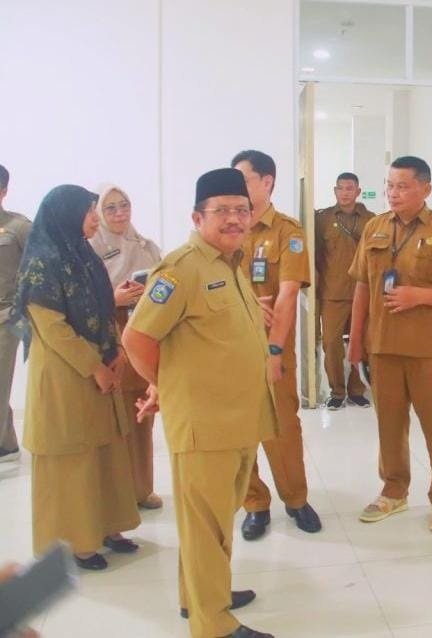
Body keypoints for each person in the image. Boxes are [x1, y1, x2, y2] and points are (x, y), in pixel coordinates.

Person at [123, 168, 278, 638]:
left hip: (238, 418)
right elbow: (137, 339)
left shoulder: (230, 262)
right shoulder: (182, 268)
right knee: (206, 525)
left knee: (213, 521)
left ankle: (200, 597)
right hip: (205, 424)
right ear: (197, 217)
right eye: (222, 211)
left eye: (241, 210)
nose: (234, 219)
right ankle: (215, 625)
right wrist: (166, 387)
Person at [12, 185, 140, 571]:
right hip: (66, 375)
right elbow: (54, 329)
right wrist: (95, 367)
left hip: (100, 366)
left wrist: (116, 352)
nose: (95, 219)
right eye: (89, 212)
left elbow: (104, 308)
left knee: (106, 451)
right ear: (66, 215)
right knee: (74, 460)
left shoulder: (83, 255)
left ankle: (109, 526)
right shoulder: (41, 264)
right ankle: (79, 542)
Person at [347, 156, 432, 534]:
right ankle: (393, 490)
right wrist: (355, 341)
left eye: (403, 186)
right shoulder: (374, 227)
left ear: (426, 189)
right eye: (390, 185)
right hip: (383, 346)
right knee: (389, 425)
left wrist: (418, 296)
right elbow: (362, 286)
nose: (393, 193)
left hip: (431, 349)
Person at [231, 149, 322, 541]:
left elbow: (287, 295)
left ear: (267, 182)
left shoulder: (288, 232)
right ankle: (254, 503)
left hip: (274, 348)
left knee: (283, 426)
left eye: (244, 179)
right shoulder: (226, 228)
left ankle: (296, 499)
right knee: (239, 429)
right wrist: (248, 305)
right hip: (230, 348)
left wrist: (273, 349)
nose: (236, 187)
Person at [89, 184, 163, 510]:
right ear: (98, 212)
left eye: (125, 205)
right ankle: (115, 496)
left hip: (143, 333)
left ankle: (141, 489)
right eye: (111, 208)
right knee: (111, 418)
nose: (120, 213)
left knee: (141, 413)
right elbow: (80, 301)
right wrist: (113, 298)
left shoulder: (145, 245)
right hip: (108, 336)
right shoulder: (89, 250)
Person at [315, 172, 375, 411]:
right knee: (331, 344)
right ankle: (337, 391)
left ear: (358, 191)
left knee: (363, 342)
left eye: (349, 188)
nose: (345, 193)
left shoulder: (371, 220)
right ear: (335, 191)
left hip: (364, 292)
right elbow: (316, 256)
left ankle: (357, 390)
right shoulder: (322, 219)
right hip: (332, 292)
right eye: (340, 188)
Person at [0, 164, 32, 463]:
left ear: (4, 191)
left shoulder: (18, 227)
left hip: (6, 317)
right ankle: (7, 444)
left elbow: (36, 268)